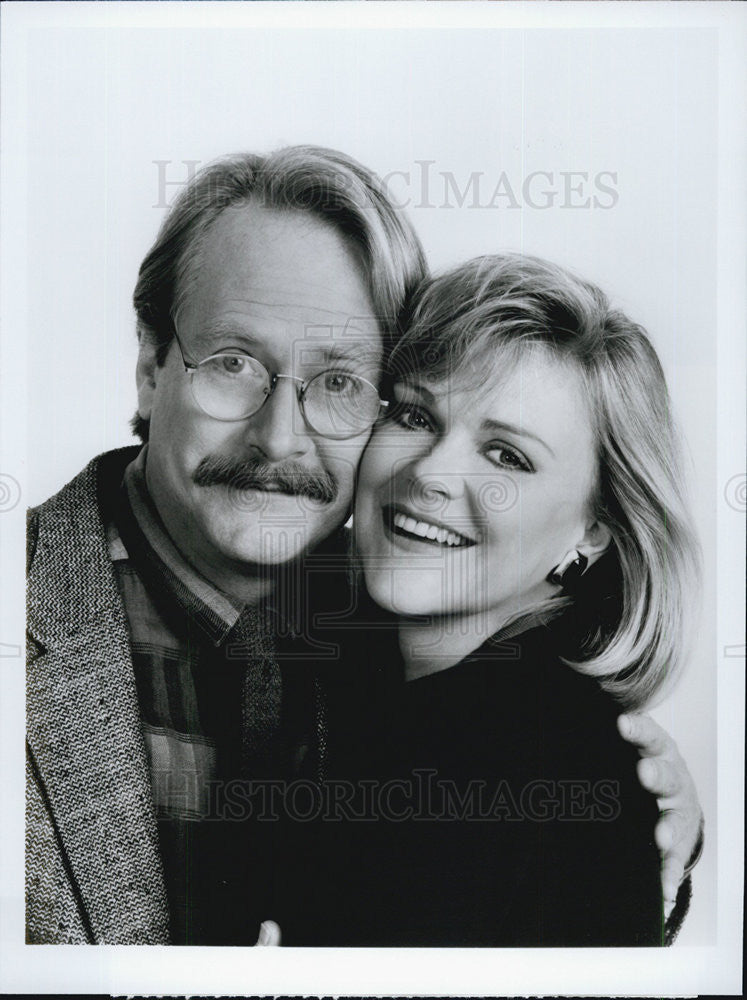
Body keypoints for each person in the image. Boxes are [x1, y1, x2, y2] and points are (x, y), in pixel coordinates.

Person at [26, 149, 702, 945]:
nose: (280, 438)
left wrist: (620, 840)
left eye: (339, 381)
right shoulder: (395, 638)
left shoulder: (475, 698)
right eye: (234, 363)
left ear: (595, 529)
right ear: (150, 367)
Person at [277, 254, 701, 946]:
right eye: (415, 415)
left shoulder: (546, 776)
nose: (430, 474)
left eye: (506, 456)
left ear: (593, 531)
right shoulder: (369, 670)